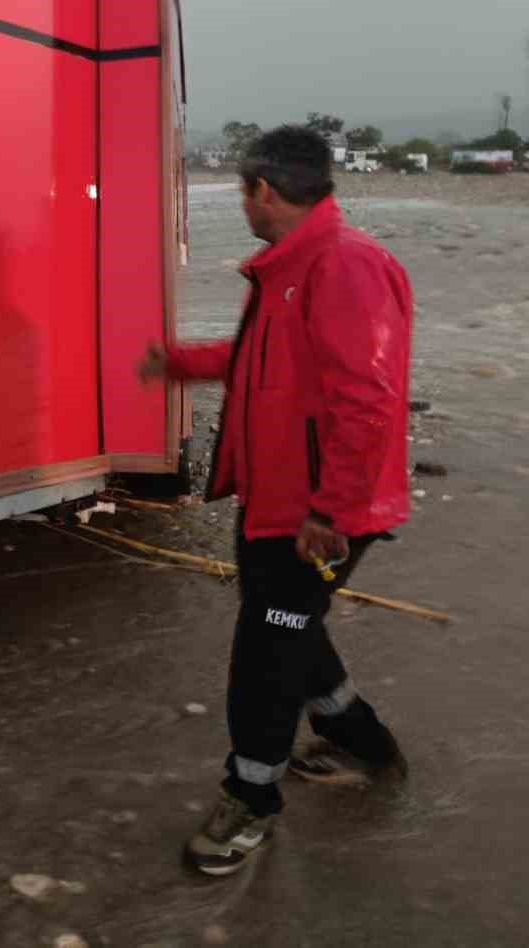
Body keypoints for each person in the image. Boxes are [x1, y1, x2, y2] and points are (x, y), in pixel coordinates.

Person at [139, 125, 414, 877]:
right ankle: (363, 742)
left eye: (242, 191)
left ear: (264, 191)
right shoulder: (290, 270)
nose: (244, 204)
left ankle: (250, 800)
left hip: (318, 513)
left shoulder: (344, 267)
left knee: (265, 647)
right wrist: (180, 364)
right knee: (288, 626)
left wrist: (331, 512)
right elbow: (261, 357)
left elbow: (368, 400)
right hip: (277, 502)